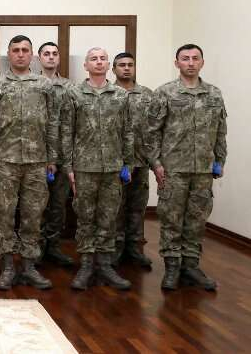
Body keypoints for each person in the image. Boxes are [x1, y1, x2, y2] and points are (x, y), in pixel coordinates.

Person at [146, 44, 227, 291]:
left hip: (203, 169)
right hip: (173, 169)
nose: (190, 63)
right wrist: (156, 163)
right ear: (177, 63)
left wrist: (219, 161)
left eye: (195, 58)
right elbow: (151, 132)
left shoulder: (214, 94)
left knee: (197, 220)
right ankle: (172, 268)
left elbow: (220, 131)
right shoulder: (165, 93)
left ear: (202, 62)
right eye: (185, 58)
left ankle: (191, 266)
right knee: (171, 218)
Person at [0, 35, 57, 290]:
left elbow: (52, 122)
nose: (20, 54)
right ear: (9, 53)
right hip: (6, 160)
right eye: (15, 50)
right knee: (4, 214)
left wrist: (52, 158)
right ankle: (7, 267)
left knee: (33, 215)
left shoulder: (44, 85)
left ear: (32, 55)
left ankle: (28, 267)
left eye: (25, 50)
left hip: (37, 160)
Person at [61, 47, 134, 291]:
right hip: (84, 167)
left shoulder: (120, 96)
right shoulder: (73, 94)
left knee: (109, 217)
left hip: (112, 167)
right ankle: (85, 265)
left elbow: (128, 131)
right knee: (85, 217)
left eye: (103, 58)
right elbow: (67, 132)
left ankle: (105, 265)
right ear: (86, 65)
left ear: (108, 64)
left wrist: (127, 163)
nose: (99, 62)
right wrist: (68, 166)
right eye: (94, 58)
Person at [112, 52, 153, 268]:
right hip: (116, 161)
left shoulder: (147, 95)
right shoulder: (108, 94)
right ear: (114, 69)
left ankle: (134, 248)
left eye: (130, 64)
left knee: (138, 206)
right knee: (117, 206)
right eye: (122, 65)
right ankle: (116, 248)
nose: (126, 68)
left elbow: (155, 128)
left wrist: (154, 159)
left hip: (141, 160)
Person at [38, 42, 75, 267]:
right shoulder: (33, 84)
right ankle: (36, 248)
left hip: (63, 154)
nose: (51, 57)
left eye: (54, 54)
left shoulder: (70, 87)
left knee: (59, 205)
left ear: (59, 58)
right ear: (39, 58)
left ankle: (53, 246)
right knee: (36, 205)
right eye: (46, 54)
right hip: (36, 155)